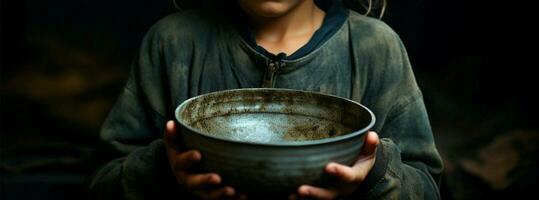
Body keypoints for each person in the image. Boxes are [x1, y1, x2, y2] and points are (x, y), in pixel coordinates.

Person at [89, 0, 443, 199]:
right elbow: (102, 181)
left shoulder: (374, 47)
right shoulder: (173, 43)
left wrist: (374, 171)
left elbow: (427, 186)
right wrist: (164, 169)